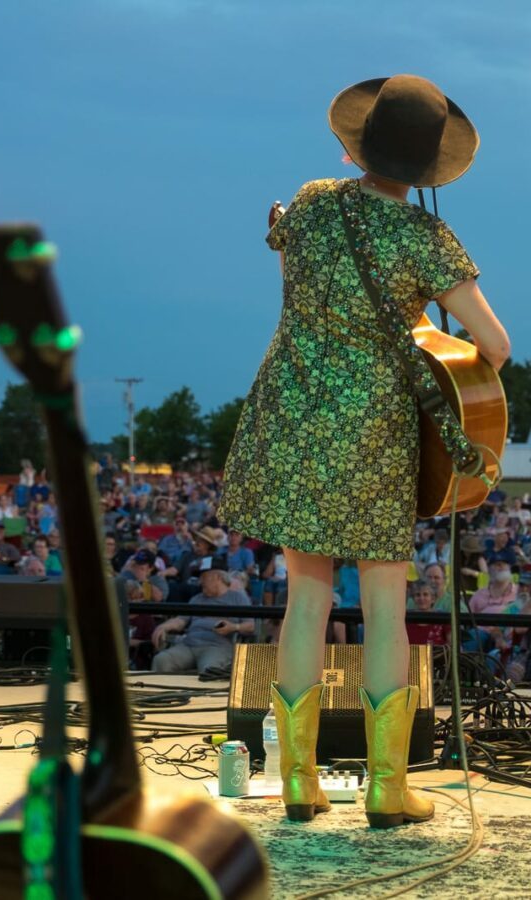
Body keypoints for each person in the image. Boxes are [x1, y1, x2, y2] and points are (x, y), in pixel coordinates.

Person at [216, 74, 509, 828]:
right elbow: (495, 347)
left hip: (292, 409)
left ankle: (298, 782)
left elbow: (293, 288)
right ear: (430, 167)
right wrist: (430, 351)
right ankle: (386, 786)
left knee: (305, 597)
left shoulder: (311, 202)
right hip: (375, 425)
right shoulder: (426, 238)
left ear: (357, 146)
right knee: (384, 603)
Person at [151, 559, 254, 674]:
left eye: (203, 577)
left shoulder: (237, 598)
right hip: (189, 645)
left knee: (209, 670)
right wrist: (164, 627)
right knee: (161, 660)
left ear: (218, 577)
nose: (200, 582)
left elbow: (250, 626)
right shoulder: (197, 598)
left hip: (217, 647)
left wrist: (234, 627)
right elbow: (181, 620)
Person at [404, 580, 450, 646]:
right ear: (413, 598)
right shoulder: (406, 618)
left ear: (433, 598)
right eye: (418, 595)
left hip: (437, 656)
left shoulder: (443, 618)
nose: (421, 598)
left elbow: (454, 645)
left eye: (425, 594)